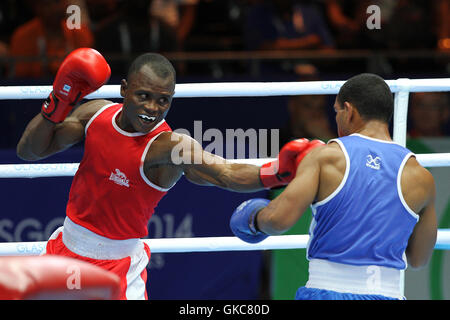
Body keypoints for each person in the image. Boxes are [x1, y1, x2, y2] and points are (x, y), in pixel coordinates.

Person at [16, 48, 320, 300]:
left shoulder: (169, 146)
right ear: (124, 89)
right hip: (65, 247)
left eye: (163, 100)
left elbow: (225, 172)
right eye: (144, 96)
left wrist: (278, 173)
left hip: (117, 265)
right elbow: (29, 151)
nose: (152, 108)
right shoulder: (94, 113)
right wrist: (59, 99)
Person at [230, 73, 438, 300]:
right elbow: (419, 259)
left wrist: (253, 218)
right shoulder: (421, 177)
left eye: (337, 111)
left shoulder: (326, 157)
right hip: (388, 294)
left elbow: (278, 220)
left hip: (328, 291)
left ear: (349, 111)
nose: (336, 119)